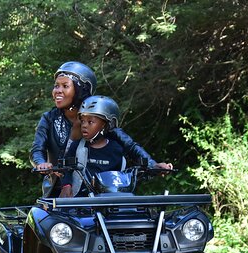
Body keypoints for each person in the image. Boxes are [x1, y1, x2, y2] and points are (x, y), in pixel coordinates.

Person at [30, 61, 157, 197]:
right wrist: (41, 163)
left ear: (80, 90)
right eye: (56, 86)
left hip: (97, 191)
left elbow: (130, 145)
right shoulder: (49, 118)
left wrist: (153, 165)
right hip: (58, 190)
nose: (57, 91)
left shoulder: (99, 115)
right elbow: (37, 149)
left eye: (65, 86)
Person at [59, 95, 172, 198]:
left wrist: (154, 166)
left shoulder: (117, 148)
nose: (84, 126)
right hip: (81, 202)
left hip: (112, 201)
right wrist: (67, 185)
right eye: (82, 121)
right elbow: (67, 169)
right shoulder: (77, 146)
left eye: (90, 122)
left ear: (105, 124)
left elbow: (134, 155)